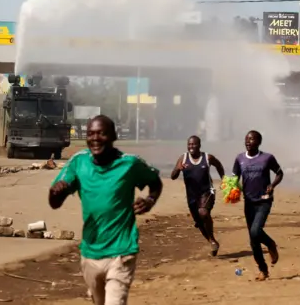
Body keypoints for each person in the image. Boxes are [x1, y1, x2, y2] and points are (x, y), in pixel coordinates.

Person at [49, 115, 163, 305]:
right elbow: (54, 203)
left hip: (122, 251)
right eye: (91, 134)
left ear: (113, 136)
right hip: (90, 253)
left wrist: (150, 200)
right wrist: (56, 192)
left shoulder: (130, 164)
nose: (95, 138)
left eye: (101, 133)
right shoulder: (78, 163)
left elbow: (155, 182)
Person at [232, 130, 284, 281]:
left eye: (252, 139)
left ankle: (271, 244)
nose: (248, 142)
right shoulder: (240, 159)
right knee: (253, 240)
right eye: (246, 139)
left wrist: (273, 185)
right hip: (249, 202)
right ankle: (263, 269)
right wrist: (231, 188)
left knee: (255, 231)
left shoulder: (267, 158)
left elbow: (280, 173)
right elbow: (235, 177)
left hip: (264, 200)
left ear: (259, 142)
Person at [171, 135, 225, 256]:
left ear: (199, 145)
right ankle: (212, 241)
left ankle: (211, 238)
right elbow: (173, 176)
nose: (191, 146)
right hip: (191, 196)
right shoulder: (183, 158)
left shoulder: (207, 157)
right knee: (199, 222)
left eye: (194, 144)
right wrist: (178, 169)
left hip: (207, 191)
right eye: (189, 144)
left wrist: (223, 179)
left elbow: (219, 165)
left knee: (203, 213)